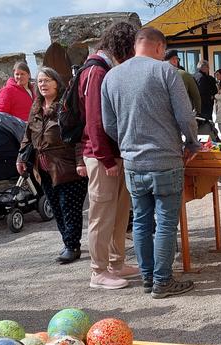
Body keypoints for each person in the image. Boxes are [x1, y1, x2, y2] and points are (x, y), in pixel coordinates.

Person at [101, 27, 201, 299]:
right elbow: (185, 115)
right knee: (167, 222)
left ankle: (148, 278)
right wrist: (191, 142)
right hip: (166, 157)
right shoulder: (165, 71)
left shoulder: (111, 77)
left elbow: (109, 124)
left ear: (137, 45)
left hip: (133, 161)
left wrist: (128, 142)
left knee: (142, 223)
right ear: (160, 47)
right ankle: (162, 281)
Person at [78, 21, 142, 290]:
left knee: (118, 214)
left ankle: (116, 263)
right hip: (102, 156)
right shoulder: (96, 71)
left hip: (113, 155)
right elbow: (94, 120)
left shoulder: (103, 69)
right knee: (102, 215)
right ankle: (98, 271)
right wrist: (105, 158)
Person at [17, 67, 87, 264]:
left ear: (57, 82)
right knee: (56, 207)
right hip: (44, 169)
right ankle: (68, 242)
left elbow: (79, 136)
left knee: (69, 208)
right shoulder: (36, 108)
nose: (43, 84)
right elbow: (28, 135)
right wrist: (21, 158)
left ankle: (72, 246)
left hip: (67, 167)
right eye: (39, 81)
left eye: (47, 80)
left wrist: (81, 162)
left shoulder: (67, 107)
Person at [164, 49, 201, 115]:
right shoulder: (184, 74)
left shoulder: (157, 75)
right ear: (175, 60)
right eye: (176, 59)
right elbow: (196, 96)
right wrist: (197, 112)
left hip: (164, 115)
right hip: (183, 113)